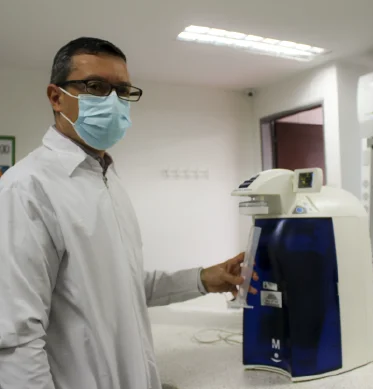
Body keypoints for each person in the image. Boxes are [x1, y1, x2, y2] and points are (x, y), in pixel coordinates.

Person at [0, 37, 256, 389]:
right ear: (56, 97)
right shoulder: (27, 189)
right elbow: (16, 337)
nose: (113, 101)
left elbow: (124, 285)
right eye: (95, 86)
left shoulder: (106, 179)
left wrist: (201, 279)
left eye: (122, 91)